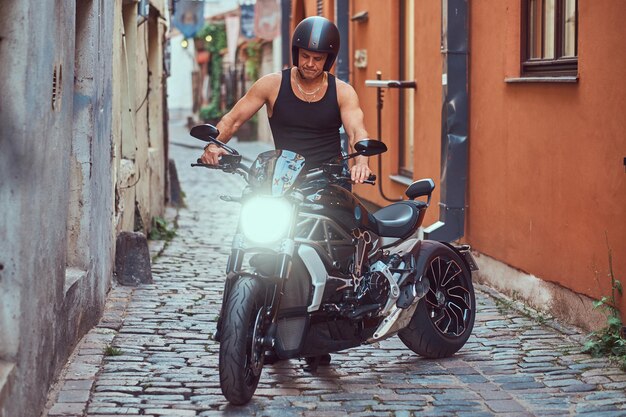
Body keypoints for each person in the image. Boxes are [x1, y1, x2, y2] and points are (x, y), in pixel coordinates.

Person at [200, 15, 372, 184]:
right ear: (296, 53)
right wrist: (213, 145)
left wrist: (362, 164)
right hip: (283, 179)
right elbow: (232, 120)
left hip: (330, 179)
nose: (310, 63)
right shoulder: (271, 84)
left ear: (328, 59)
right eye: (305, 56)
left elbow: (357, 132)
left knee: (343, 212)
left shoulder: (343, 91)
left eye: (317, 59)